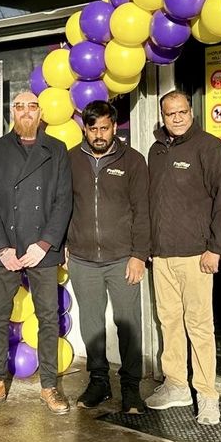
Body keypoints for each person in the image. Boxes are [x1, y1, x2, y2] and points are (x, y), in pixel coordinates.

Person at [0, 90, 73, 415]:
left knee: (47, 317)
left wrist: (43, 244)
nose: (26, 112)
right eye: (20, 107)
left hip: (42, 250)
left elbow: (63, 201)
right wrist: (1, 247)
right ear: (12, 112)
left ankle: (48, 385)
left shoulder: (56, 150)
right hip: (7, 249)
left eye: (32, 107)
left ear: (40, 112)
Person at [146, 90, 221, 425]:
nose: (178, 118)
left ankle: (208, 394)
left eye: (183, 112)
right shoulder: (156, 151)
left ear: (192, 112)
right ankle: (176, 384)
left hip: (197, 255)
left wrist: (216, 247)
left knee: (199, 326)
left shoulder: (210, 148)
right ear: (163, 116)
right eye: (171, 114)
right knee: (168, 321)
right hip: (162, 255)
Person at [66, 100, 150, 414]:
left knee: (128, 324)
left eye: (105, 128)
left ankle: (131, 389)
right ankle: (99, 382)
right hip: (82, 258)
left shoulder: (133, 161)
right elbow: (63, 206)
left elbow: (143, 212)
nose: (99, 134)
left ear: (114, 127)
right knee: (91, 324)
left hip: (122, 258)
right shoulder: (71, 160)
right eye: (93, 128)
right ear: (84, 129)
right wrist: (64, 244)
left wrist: (139, 255)